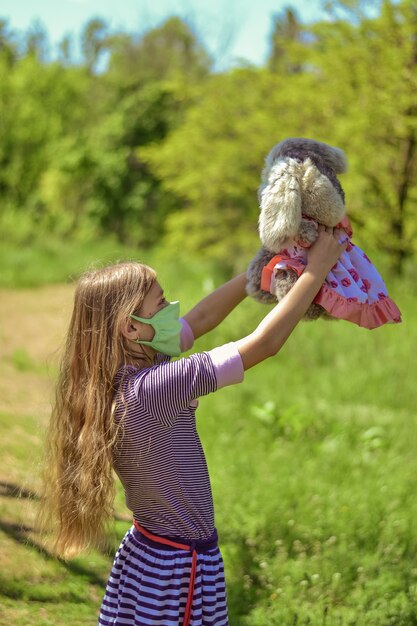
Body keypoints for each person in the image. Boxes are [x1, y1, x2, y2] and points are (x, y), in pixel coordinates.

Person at [38, 226, 346, 626]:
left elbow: (201, 318)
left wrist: (258, 271)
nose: (173, 310)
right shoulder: (154, 389)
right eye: (161, 303)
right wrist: (316, 271)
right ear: (130, 328)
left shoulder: (136, 369)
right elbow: (264, 343)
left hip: (152, 553)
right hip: (176, 568)